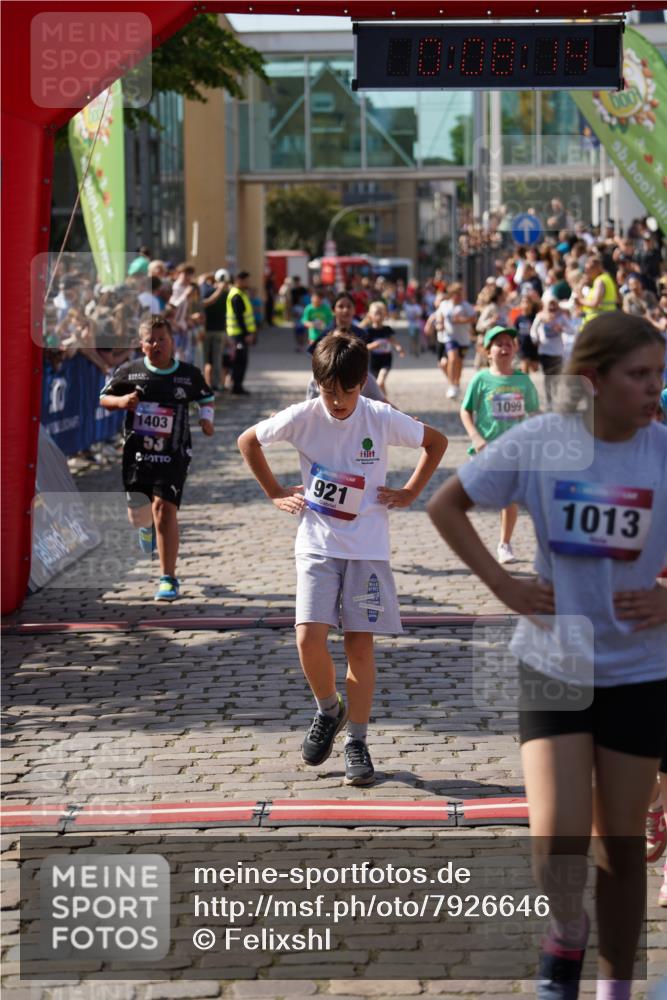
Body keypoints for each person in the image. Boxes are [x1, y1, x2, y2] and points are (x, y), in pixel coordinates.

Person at [427, 312, 667, 1000]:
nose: (653, 388)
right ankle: (565, 928)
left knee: (619, 845)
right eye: (638, 375)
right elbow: (446, 505)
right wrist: (501, 584)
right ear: (592, 379)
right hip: (554, 662)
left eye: (659, 374)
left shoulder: (661, 449)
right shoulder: (541, 441)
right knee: (557, 839)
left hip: (639, 670)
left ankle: (614, 989)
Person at [238, 332, 447, 786]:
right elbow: (248, 441)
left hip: (367, 548)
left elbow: (436, 442)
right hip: (316, 543)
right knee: (307, 639)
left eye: (346, 392)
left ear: (363, 382)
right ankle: (329, 710)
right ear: (316, 383)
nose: (336, 402)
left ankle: (357, 741)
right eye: (328, 391)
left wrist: (411, 491)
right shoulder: (303, 416)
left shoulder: (379, 416)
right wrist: (274, 491)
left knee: (359, 646)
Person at [99, 316, 214, 601]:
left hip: (173, 453)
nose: (156, 345)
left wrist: (206, 419)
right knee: (139, 515)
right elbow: (104, 398)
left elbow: (206, 398)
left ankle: (168, 578)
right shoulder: (130, 372)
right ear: (141, 345)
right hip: (137, 455)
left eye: (162, 339)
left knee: (164, 509)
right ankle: (145, 526)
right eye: (150, 340)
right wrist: (122, 402)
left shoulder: (187, 374)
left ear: (172, 342)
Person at [460, 325, 539, 565]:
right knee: (474, 497)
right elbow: (466, 410)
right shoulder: (481, 379)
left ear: (514, 349)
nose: (504, 348)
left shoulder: (523, 380)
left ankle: (504, 543)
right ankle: (464, 538)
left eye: (508, 344)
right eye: (498, 344)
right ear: (488, 352)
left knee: (509, 498)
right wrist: (475, 436)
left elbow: (534, 412)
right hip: (485, 449)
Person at [437, 283, 477, 399]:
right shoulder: (445, 304)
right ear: (451, 294)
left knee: (459, 363)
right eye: (457, 294)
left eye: (460, 294)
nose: (459, 296)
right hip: (449, 337)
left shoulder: (465, 306)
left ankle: (457, 383)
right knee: (452, 359)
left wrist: (461, 320)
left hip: (463, 339)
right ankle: (451, 385)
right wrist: (440, 324)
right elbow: (440, 315)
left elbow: (473, 318)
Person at [363, 300, 405, 396]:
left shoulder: (387, 329)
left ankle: (383, 401)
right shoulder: (368, 331)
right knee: (378, 384)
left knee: (380, 380)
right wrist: (373, 345)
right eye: (376, 313)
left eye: (381, 313)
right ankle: (384, 400)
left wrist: (398, 347)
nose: (379, 316)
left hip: (386, 359)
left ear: (385, 315)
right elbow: (364, 347)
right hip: (373, 361)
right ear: (370, 315)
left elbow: (393, 340)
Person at [530, 299, 567, 409]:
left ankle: (555, 397)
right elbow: (533, 330)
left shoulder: (561, 317)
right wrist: (535, 339)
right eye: (549, 305)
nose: (552, 308)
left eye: (554, 305)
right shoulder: (540, 317)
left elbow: (572, 329)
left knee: (557, 376)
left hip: (558, 351)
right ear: (545, 306)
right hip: (545, 351)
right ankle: (549, 399)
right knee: (548, 375)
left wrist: (561, 328)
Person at [226, 270, 256, 396]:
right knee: (239, 361)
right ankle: (236, 386)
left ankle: (238, 385)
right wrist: (247, 334)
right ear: (239, 280)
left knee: (241, 360)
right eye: (246, 280)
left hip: (239, 334)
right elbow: (239, 317)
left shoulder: (240, 294)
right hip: (238, 334)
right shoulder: (236, 296)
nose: (248, 283)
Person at [199, 268, 230, 392]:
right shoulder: (226, 293)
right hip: (219, 329)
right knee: (216, 359)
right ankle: (216, 384)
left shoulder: (206, 290)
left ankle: (206, 383)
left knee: (206, 359)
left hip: (208, 330)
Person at [577, 255, 619, 326]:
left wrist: (580, 300)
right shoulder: (607, 278)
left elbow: (595, 303)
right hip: (607, 317)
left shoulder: (599, 281)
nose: (586, 272)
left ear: (597, 268)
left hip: (599, 321)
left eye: (589, 269)